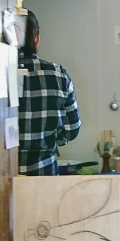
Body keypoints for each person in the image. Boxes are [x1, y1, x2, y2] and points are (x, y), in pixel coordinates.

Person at [16, 11, 81, 175]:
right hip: (44, 174)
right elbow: (72, 129)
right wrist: (51, 141)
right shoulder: (58, 74)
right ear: (37, 39)